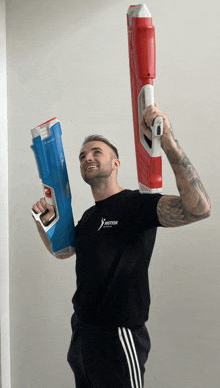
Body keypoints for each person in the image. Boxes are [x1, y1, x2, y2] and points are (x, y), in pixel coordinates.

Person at [32, 102, 211, 388]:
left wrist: (167, 140)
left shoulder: (135, 205)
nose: (87, 157)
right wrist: (43, 223)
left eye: (96, 152)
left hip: (118, 335)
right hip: (82, 334)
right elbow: (63, 252)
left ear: (116, 163)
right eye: (82, 156)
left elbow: (199, 209)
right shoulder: (90, 217)